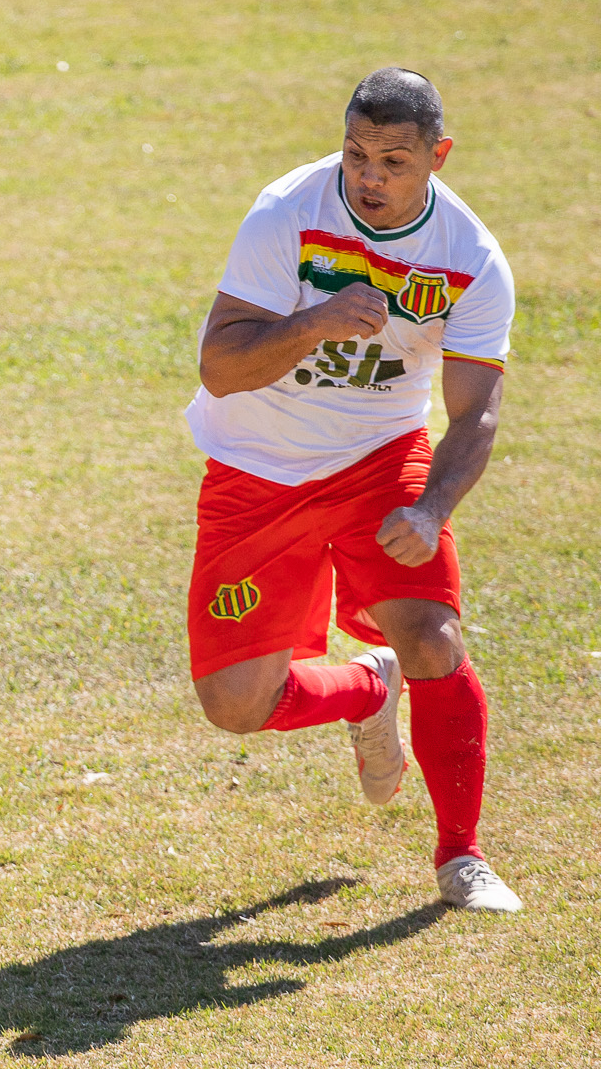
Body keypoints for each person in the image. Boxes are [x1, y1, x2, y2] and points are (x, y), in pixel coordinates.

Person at [186, 68, 520, 913]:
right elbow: (221, 369)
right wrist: (315, 322)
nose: (368, 177)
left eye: (393, 161)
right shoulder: (289, 211)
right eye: (356, 153)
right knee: (234, 704)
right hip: (256, 466)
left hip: (381, 458)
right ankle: (369, 687)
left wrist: (432, 507)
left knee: (434, 635)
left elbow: (476, 413)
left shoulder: (471, 258)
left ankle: (462, 856)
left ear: (437, 157)